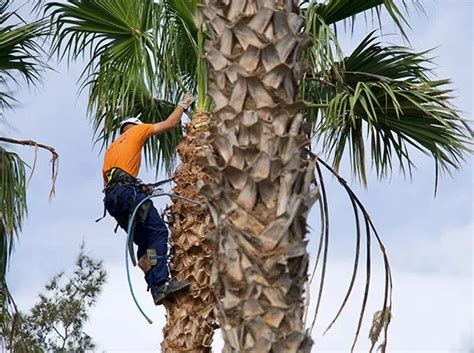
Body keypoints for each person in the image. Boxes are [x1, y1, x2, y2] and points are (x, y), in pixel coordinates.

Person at [101, 93, 194, 305]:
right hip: (127, 193)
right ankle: (160, 283)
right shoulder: (137, 131)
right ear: (134, 126)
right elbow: (170, 123)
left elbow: (112, 181)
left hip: (113, 200)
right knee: (159, 232)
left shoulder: (111, 148)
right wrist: (182, 105)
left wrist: (139, 186)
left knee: (145, 242)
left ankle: (156, 287)